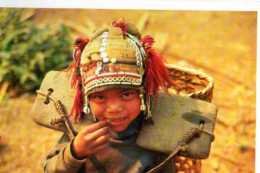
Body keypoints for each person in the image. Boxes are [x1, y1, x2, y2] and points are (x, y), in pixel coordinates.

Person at [38, 20, 177, 173]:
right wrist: (74, 153)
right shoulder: (80, 130)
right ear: (86, 99)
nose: (114, 108)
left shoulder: (157, 138)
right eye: (100, 97)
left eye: (126, 94)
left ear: (143, 93)